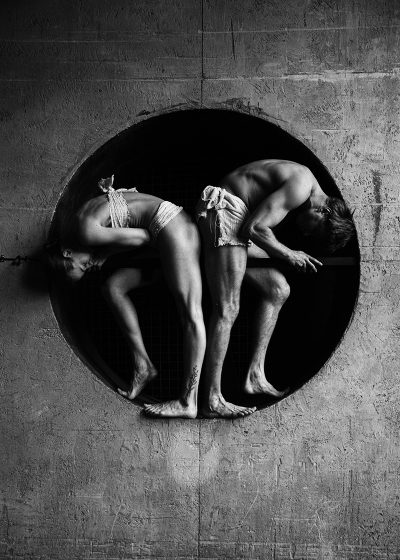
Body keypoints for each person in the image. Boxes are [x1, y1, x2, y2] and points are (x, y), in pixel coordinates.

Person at [196, 159, 355, 419]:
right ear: (324, 212)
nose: (306, 235)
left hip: (238, 221)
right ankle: (212, 399)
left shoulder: (304, 186)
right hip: (224, 208)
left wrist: (284, 252)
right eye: (315, 232)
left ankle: (255, 375)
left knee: (278, 289)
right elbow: (256, 228)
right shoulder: (301, 184)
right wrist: (289, 254)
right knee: (227, 307)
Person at [45, 175, 211, 419]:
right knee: (113, 287)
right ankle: (143, 366)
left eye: (82, 265)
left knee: (191, 314)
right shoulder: (80, 220)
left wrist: (106, 253)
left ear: (67, 252)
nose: (88, 263)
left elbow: (143, 236)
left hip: (171, 227)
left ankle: (188, 401)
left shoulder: (86, 233)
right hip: (162, 236)